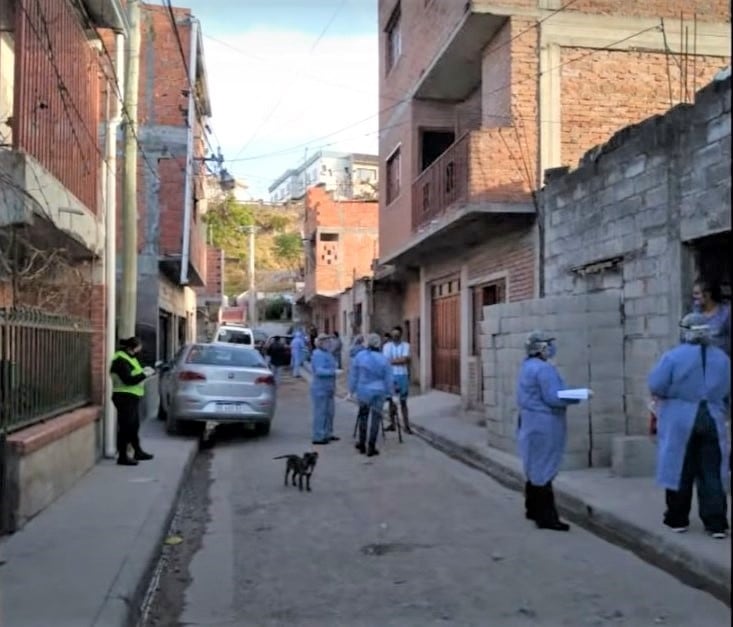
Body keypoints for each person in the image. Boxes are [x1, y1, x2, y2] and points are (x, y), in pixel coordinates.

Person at [648, 313, 730, 539]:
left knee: (679, 468)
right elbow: (726, 389)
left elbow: (656, 384)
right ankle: (716, 524)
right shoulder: (722, 358)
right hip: (712, 416)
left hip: (680, 417)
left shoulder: (673, 357)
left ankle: (677, 518)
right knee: (711, 471)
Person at [516, 331, 582, 531]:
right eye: (549, 345)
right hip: (546, 422)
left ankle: (532, 509)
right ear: (541, 348)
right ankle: (547, 518)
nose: (552, 348)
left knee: (533, 465)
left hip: (529, 420)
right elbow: (554, 397)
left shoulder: (527, 366)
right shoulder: (544, 370)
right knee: (545, 468)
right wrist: (578, 394)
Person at [109, 337, 156, 466]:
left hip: (131, 397)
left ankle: (137, 451)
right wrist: (145, 374)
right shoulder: (120, 360)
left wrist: (145, 372)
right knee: (125, 427)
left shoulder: (130, 358)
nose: (140, 351)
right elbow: (128, 379)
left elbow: (135, 374)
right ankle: (123, 456)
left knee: (133, 426)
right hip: (124, 397)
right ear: (133, 348)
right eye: (139, 348)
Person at [349, 333, 393, 457]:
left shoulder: (360, 356)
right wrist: (390, 393)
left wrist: (351, 390)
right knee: (376, 418)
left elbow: (354, 375)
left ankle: (362, 444)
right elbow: (388, 378)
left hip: (363, 391)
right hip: (379, 391)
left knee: (363, 416)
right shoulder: (383, 359)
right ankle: (371, 446)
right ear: (379, 344)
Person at [382, 326, 412, 434]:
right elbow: (385, 361)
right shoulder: (387, 346)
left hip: (402, 375)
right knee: (391, 401)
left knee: (403, 401)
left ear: (400, 335)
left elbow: (405, 360)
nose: (395, 337)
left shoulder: (406, 345)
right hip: (391, 376)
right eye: (393, 335)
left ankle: (406, 425)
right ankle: (393, 424)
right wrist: (399, 360)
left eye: (397, 335)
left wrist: (393, 361)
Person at [310, 333, 338, 445]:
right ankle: (318, 436)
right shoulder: (317, 354)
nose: (329, 343)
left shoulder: (328, 353)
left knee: (330, 412)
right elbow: (319, 371)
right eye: (326, 341)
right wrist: (333, 372)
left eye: (329, 341)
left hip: (329, 387)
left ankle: (328, 433)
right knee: (320, 413)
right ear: (321, 343)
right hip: (320, 388)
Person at [692, 279, 730, 354]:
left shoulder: (725, 313)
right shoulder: (694, 313)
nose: (694, 297)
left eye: (697, 294)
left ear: (707, 294)